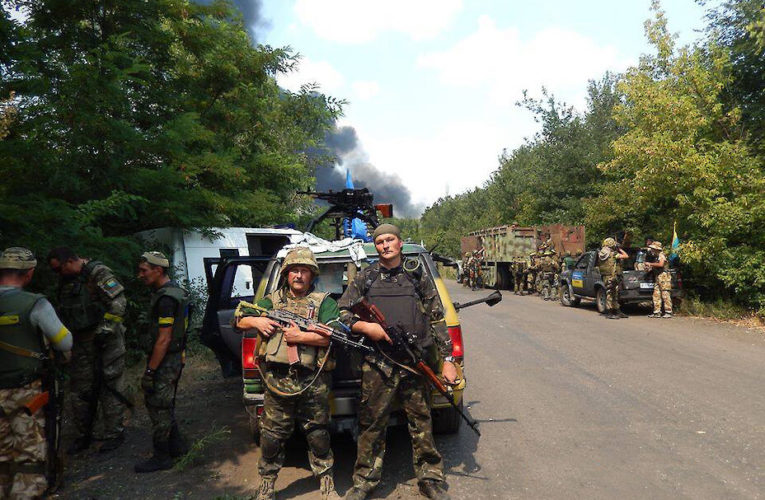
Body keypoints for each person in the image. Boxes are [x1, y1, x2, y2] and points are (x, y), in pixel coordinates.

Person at [339, 224, 456, 500]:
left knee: (421, 420)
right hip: (378, 363)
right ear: (376, 247)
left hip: (415, 362)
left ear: (400, 243)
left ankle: (430, 478)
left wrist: (449, 360)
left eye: (390, 239)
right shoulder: (366, 277)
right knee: (371, 423)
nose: (385, 245)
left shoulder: (417, 275)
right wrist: (365, 328)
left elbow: (438, 318)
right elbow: (341, 312)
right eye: (379, 242)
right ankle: (365, 480)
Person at [236, 248, 341, 500]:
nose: (299, 275)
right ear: (286, 273)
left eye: (304, 270)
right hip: (277, 381)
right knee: (271, 436)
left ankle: (326, 484)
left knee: (318, 434)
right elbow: (238, 319)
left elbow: (334, 336)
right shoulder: (270, 301)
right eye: (294, 270)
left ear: (312, 274)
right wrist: (257, 321)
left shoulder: (324, 302)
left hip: (312, 381)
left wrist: (301, 336)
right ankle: (266, 486)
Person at [0, 247, 72, 498]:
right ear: (29, 273)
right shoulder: (35, 304)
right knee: (29, 454)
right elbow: (65, 343)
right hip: (27, 393)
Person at [47, 247, 128, 454]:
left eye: (59, 269)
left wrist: (106, 330)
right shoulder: (65, 281)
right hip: (80, 343)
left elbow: (118, 304)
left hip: (106, 342)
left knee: (110, 386)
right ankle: (84, 434)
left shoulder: (98, 273)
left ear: (71, 261)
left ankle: (114, 433)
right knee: (80, 389)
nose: (58, 274)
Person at [134, 252, 191, 472]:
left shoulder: (166, 299)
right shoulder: (174, 291)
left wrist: (150, 370)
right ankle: (177, 447)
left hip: (166, 359)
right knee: (164, 403)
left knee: (158, 406)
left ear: (158, 270)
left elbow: (164, 338)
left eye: (144, 270)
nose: (140, 275)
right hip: (174, 357)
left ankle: (162, 456)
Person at [597, 238, 629, 319]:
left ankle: (616, 310)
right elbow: (626, 256)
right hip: (612, 276)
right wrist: (620, 249)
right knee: (611, 294)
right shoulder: (613, 254)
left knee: (612, 293)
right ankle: (609, 312)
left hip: (606, 276)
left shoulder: (601, 253)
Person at [645, 242, 673, 318]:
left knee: (665, 294)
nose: (652, 250)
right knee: (656, 294)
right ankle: (657, 312)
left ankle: (668, 311)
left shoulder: (661, 255)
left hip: (664, 276)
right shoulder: (655, 256)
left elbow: (661, 264)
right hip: (658, 276)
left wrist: (650, 264)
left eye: (653, 248)